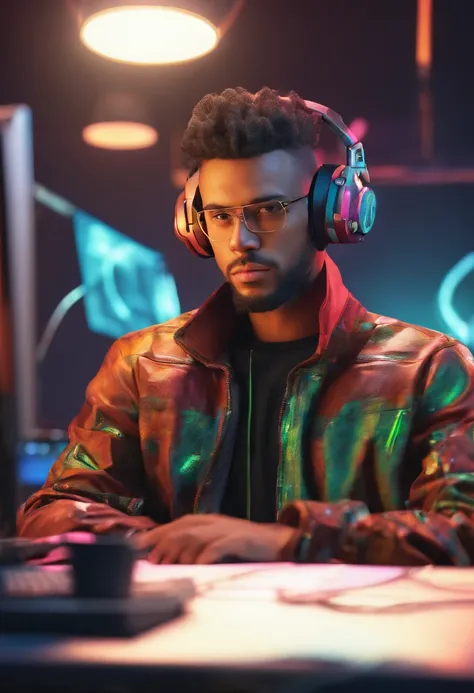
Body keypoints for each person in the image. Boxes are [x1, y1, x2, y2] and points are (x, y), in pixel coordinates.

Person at [18, 87, 474, 566]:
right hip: (182, 640)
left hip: (351, 639)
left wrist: (287, 543)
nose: (242, 239)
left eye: (269, 210)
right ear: (195, 225)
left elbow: (463, 528)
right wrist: (166, 546)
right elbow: (55, 509)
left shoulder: (427, 369)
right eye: (220, 216)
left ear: (330, 212)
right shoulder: (141, 366)